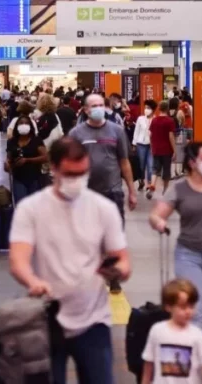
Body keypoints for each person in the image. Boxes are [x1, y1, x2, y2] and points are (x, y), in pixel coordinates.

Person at [9, 137, 131, 384]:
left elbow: (123, 261)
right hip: (47, 319)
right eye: (69, 174)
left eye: (82, 173)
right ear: (53, 168)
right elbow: (18, 259)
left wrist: (116, 271)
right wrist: (32, 280)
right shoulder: (31, 209)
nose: (77, 180)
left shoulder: (103, 209)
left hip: (94, 321)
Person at [149, 142, 202, 365]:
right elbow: (158, 214)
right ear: (192, 162)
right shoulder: (180, 187)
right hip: (188, 254)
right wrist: (158, 221)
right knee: (197, 309)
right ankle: (196, 363)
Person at [69, 94, 137, 294]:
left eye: (101, 105)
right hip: (85, 194)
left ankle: (113, 276)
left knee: (114, 237)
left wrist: (132, 191)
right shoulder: (76, 134)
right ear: (86, 110)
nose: (98, 108)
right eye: (94, 105)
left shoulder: (116, 131)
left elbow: (124, 162)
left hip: (113, 192)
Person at [141, 279, 202, 384]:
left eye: (191, 306)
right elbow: (149, 361)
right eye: (183, 307)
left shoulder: (197, 335)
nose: (188, 311)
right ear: (168, 307)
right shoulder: (157, 331)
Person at [6, 116, 47, 203]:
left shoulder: (36, 140)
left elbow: (45, 157)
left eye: (26, 123)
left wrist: (27, 160)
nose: (23, 125)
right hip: (18, 178)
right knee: (20, 204)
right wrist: (7, 164)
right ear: (17, 126)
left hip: (34, 178)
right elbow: (8, 159)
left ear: (31, 126)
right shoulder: (12, 142)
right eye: (21, 123)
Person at [149, 101, 176, 195]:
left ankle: (152, 184)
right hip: (167, 150)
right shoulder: (170, 121)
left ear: (159, 108)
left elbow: (150, 134)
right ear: (167, 108)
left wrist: (152, 146)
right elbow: (171, 136)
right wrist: (175, 150)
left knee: (155, 169)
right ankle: (165, 190)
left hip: (156, 149)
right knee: (166, 170)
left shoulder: (154, 120)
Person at [133, 99, 156, 193]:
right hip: (140, 145)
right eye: (146, 107)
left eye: (149, 108)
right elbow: (136, 131)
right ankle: (141, 181)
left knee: (150, 165)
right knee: (141, 165)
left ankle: (149, 184)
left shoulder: (155, 119)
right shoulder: (140, 119)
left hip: (151, 145)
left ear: (153, 110)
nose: (146, 109)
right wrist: (134, 144)